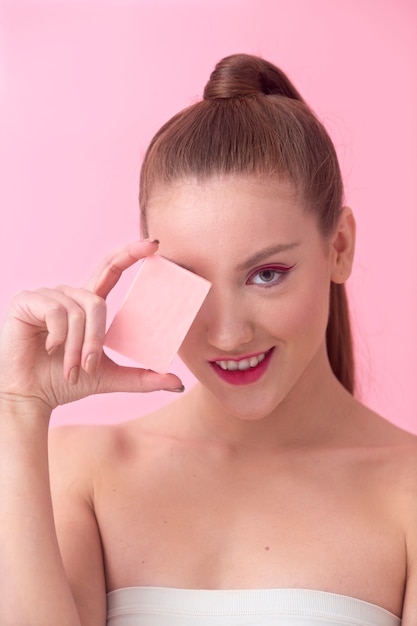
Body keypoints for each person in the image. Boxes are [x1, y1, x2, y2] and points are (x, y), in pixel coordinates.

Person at [0, 53, 416, 626]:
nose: (226, 334)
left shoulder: (409, 491)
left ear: (338, 247)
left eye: (266, 274)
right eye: (189, 279)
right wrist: (17, 410)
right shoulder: (79, 473)